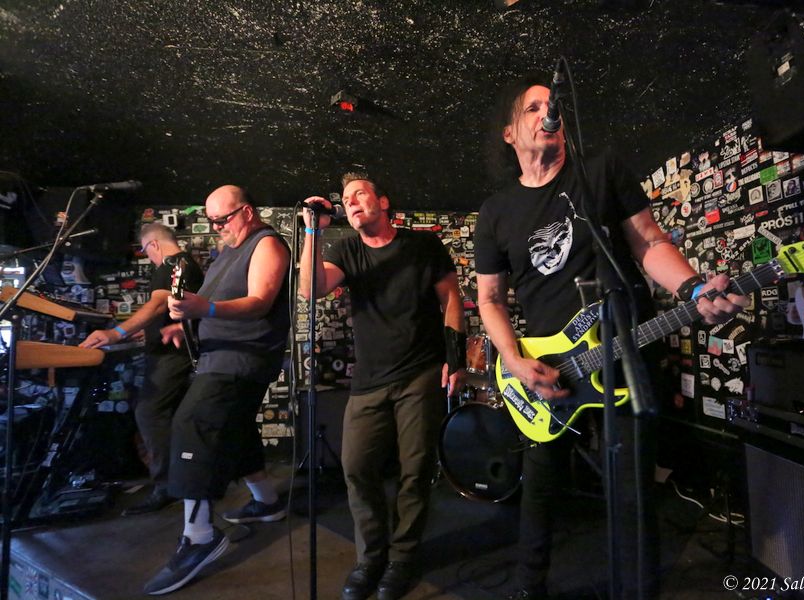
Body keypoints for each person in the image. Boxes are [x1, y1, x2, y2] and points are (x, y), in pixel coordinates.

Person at [474, 74, 748, 599]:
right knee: (541, 484)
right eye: (533, 108)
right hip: (550, 368)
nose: (547, 113)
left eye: (553, 105)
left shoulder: (600, 172)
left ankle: (635, 588)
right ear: (509, 133)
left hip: (624, 348)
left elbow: (648, 241)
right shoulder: (496, 212)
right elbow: (490, 300)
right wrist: (513, 360)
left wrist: (692, 288)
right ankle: (529, 585)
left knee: (631, 488)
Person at [299, 171, 466, 600]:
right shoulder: (346, 248)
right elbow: (310, 289)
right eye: (346, 200)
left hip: (421, 371)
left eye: (360, 194)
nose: (352, 203)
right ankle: (371, 557)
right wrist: (313, 232)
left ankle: (402, 558)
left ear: (384, 202)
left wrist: (456, 359)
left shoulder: (423, 245)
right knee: (357, 467)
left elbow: (451, 298)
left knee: (415, 470)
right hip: (369, 379)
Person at [142, 185, 291, 595]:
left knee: (192, 424)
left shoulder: (267, 244)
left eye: (222, 219)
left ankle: (199, 537)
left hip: (241, 360)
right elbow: (212, 302)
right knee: (237, 428)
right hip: (219, 357)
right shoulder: (228, 251)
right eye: (211, 221)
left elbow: (260, 302)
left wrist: (202, 309)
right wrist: (185, 324)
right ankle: (267, 501)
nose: (217, 227)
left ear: (247, 211)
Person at [80, 222, 203, 515]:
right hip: (173, 351)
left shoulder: (171, 264)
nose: (149, 257)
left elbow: (160, 305)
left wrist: (116, 333)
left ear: (154, 245)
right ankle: (179, 481)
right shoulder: (185, 265)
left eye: (147, 251)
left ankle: (167, 485)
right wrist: (143, 333)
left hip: (170, 355)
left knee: (149, 413)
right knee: (169, 416)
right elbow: (174, 311)